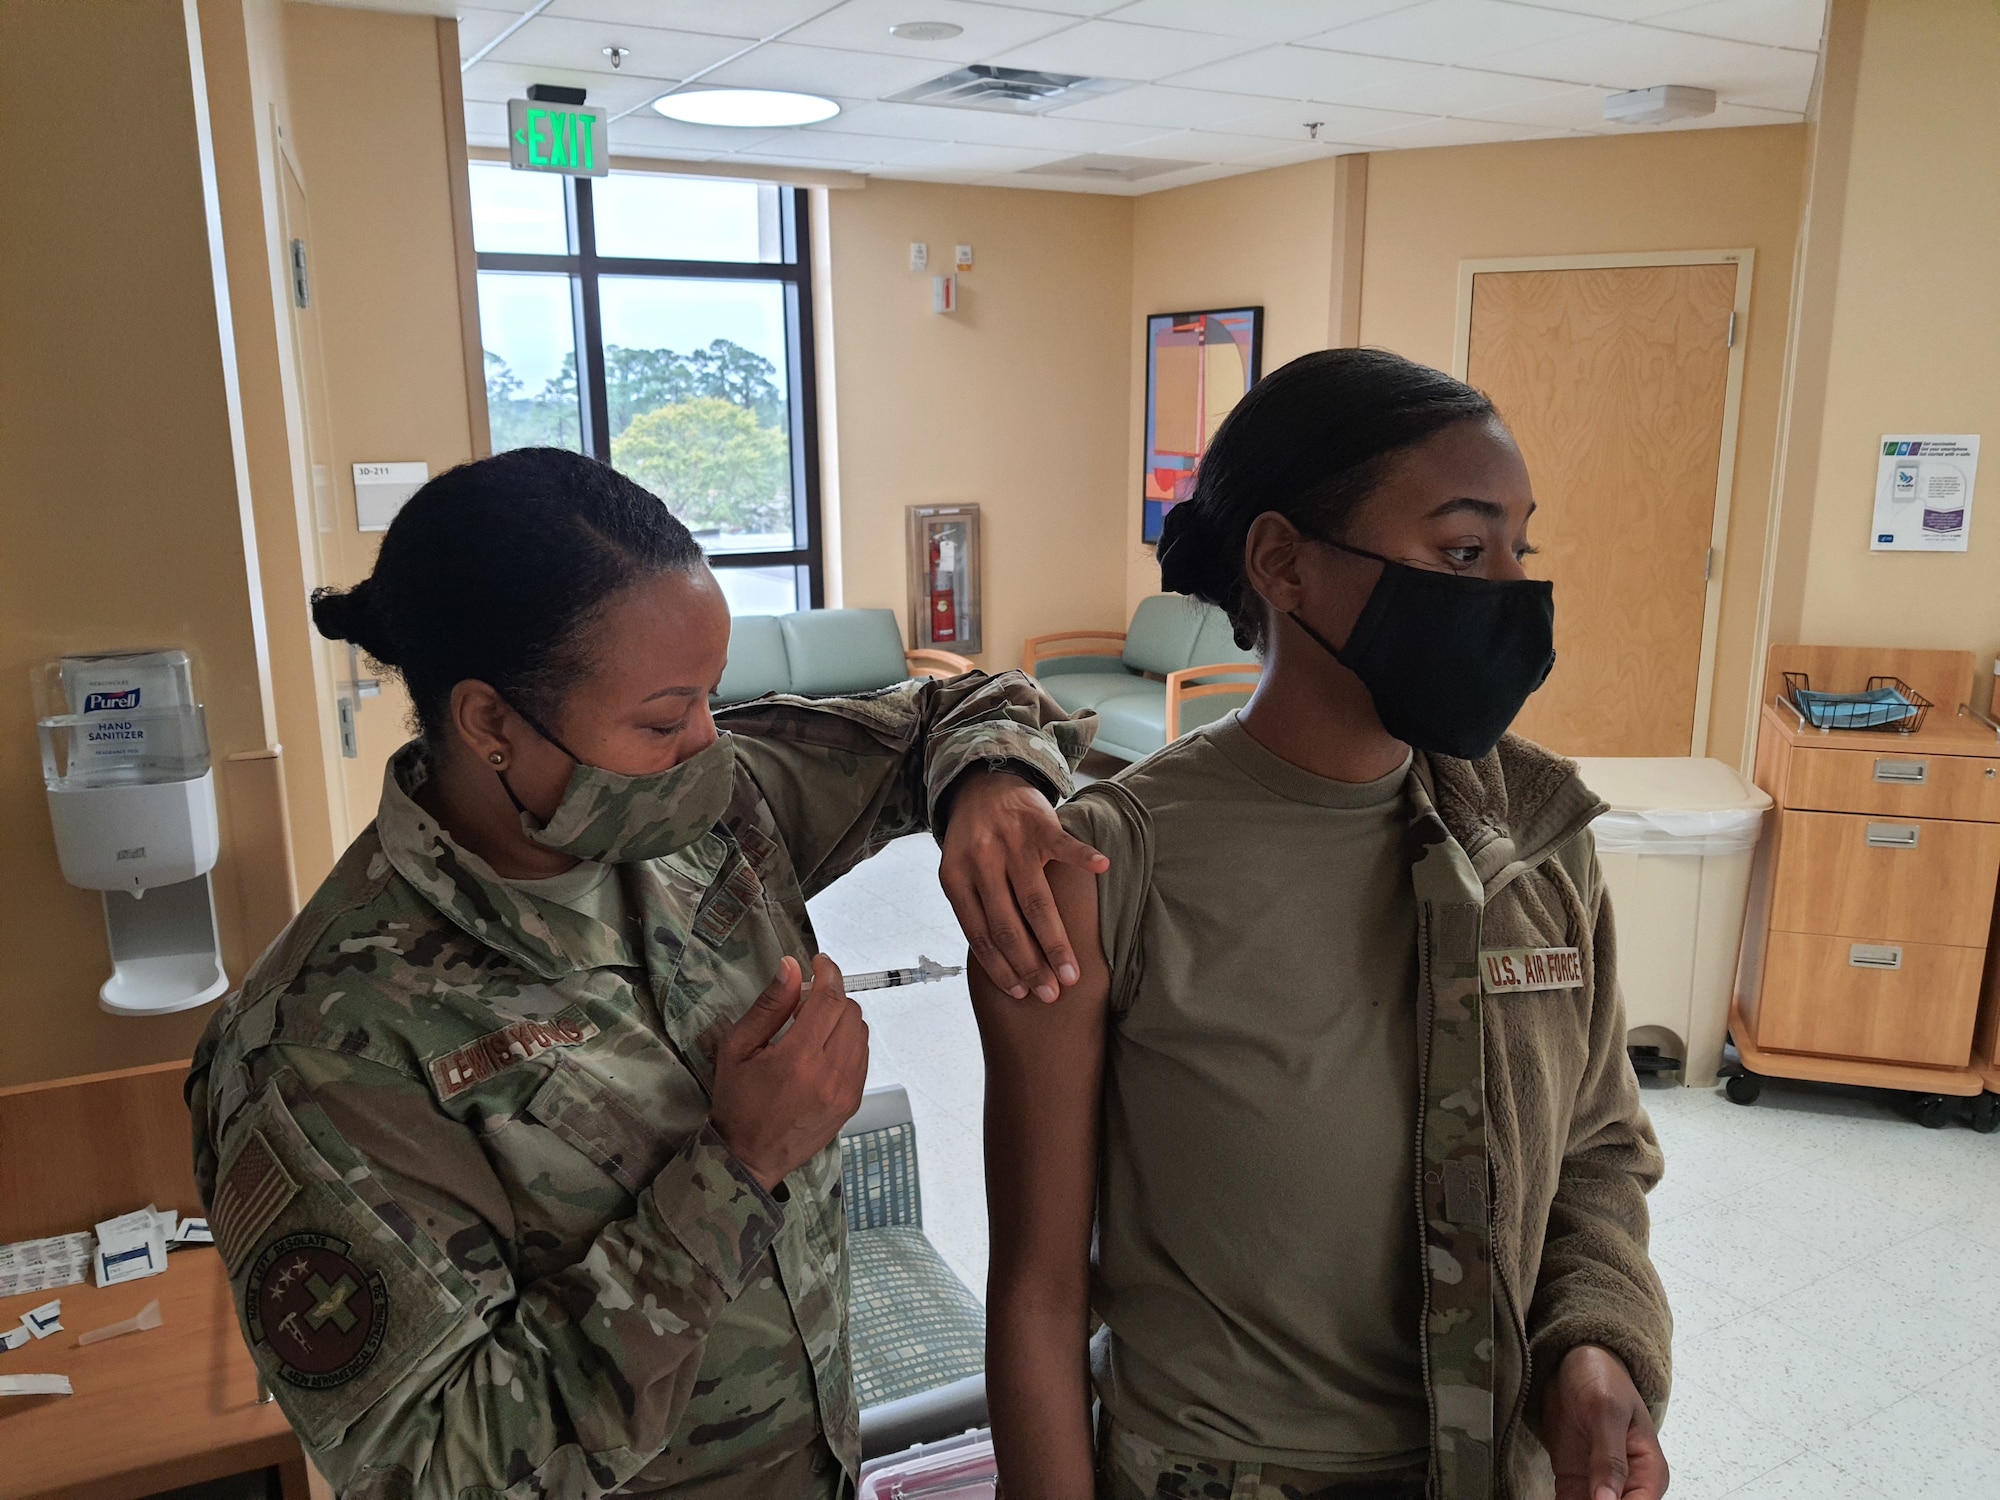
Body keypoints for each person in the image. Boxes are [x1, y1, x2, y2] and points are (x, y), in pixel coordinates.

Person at [186, 448, 1103, 1499]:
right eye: (663, 721)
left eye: (709, 700)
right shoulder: (322, 1047)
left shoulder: (703, 813)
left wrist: (990, 784)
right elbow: (435, 1471)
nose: (708, 746)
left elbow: (966, 708)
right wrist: (735, 1170)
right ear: (489, 724)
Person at [976, 349, 1672, 1500]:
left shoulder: (1534, 838)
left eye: (1518, 548)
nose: (1503, 589)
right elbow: (1040, 1293)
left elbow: (1596, 1155)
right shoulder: (1104, 866)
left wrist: (1593, 1350)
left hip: (1492, 1462)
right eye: (1459, 551)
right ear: (1282, 562)